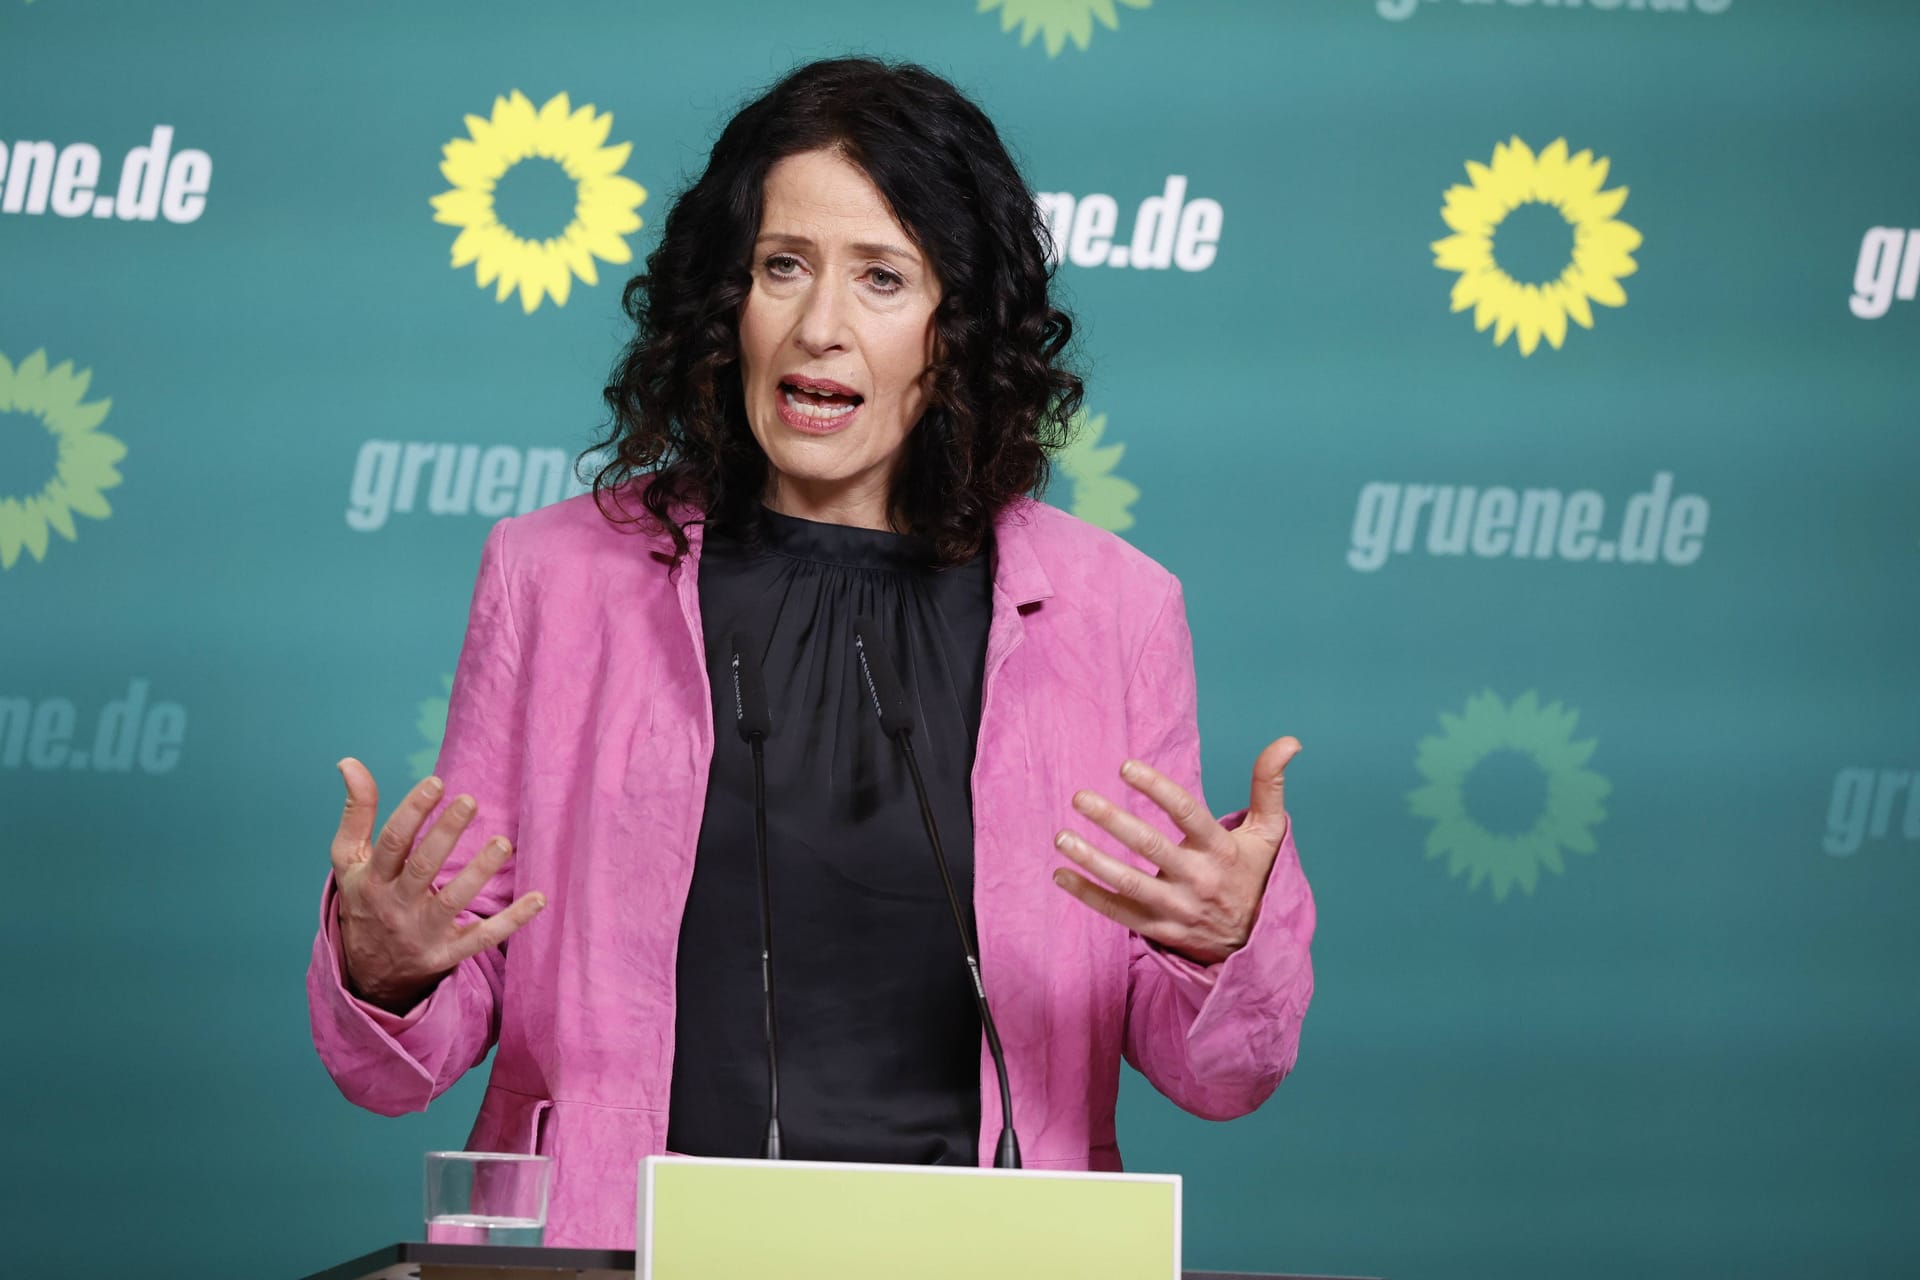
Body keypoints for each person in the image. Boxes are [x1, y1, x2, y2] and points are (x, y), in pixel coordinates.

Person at [309, 57, 1315, 1249]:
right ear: (727, 300)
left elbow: (1215, 1073)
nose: (819, 326)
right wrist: (389, 972)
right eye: (782, 266)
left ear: (958, 328)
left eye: (882, 277)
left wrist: (1217, 943)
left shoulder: (1116, 609)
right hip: (622, 1247)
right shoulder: (553, 578)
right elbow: (416, 1037)